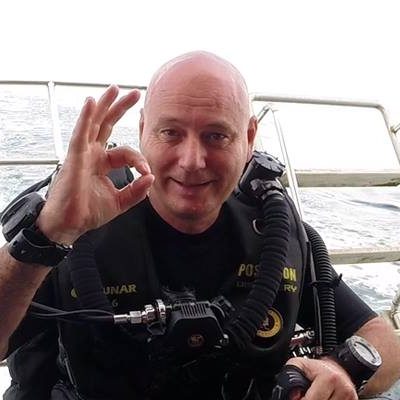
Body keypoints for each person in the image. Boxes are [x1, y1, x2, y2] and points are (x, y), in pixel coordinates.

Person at [0, 51, 399, 400]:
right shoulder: (77, 230)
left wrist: (340, 369)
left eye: (216, 136)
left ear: (249, 138)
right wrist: (47, 235)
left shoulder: (271, 232)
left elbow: (385, 341)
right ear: (142, 131)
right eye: (171, 132)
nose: (192, 160)